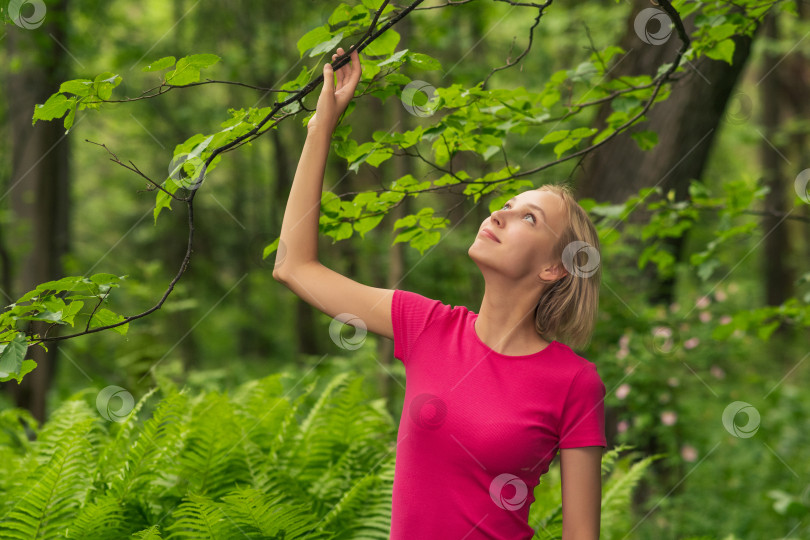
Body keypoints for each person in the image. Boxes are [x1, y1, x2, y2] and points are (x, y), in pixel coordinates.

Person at [273, 45, 606, 540]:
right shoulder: (425, 325)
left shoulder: (575, 383)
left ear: (556, 267)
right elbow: (294, 266)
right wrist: (321, 126)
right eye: (508, 205)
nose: (499, 214)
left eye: (528, 218)